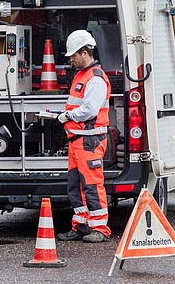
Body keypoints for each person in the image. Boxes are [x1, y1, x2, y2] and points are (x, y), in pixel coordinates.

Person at [56, 30, 112, 243]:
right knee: (76, 185)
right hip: (78, 139)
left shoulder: (95, 78)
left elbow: (89, 110)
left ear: (85, 52)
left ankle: (100, 229)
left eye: (74, 55)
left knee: (92, 184)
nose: (71, 59)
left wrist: (66, 116)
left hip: (89, 139)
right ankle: (81, 225)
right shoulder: (82, 75)